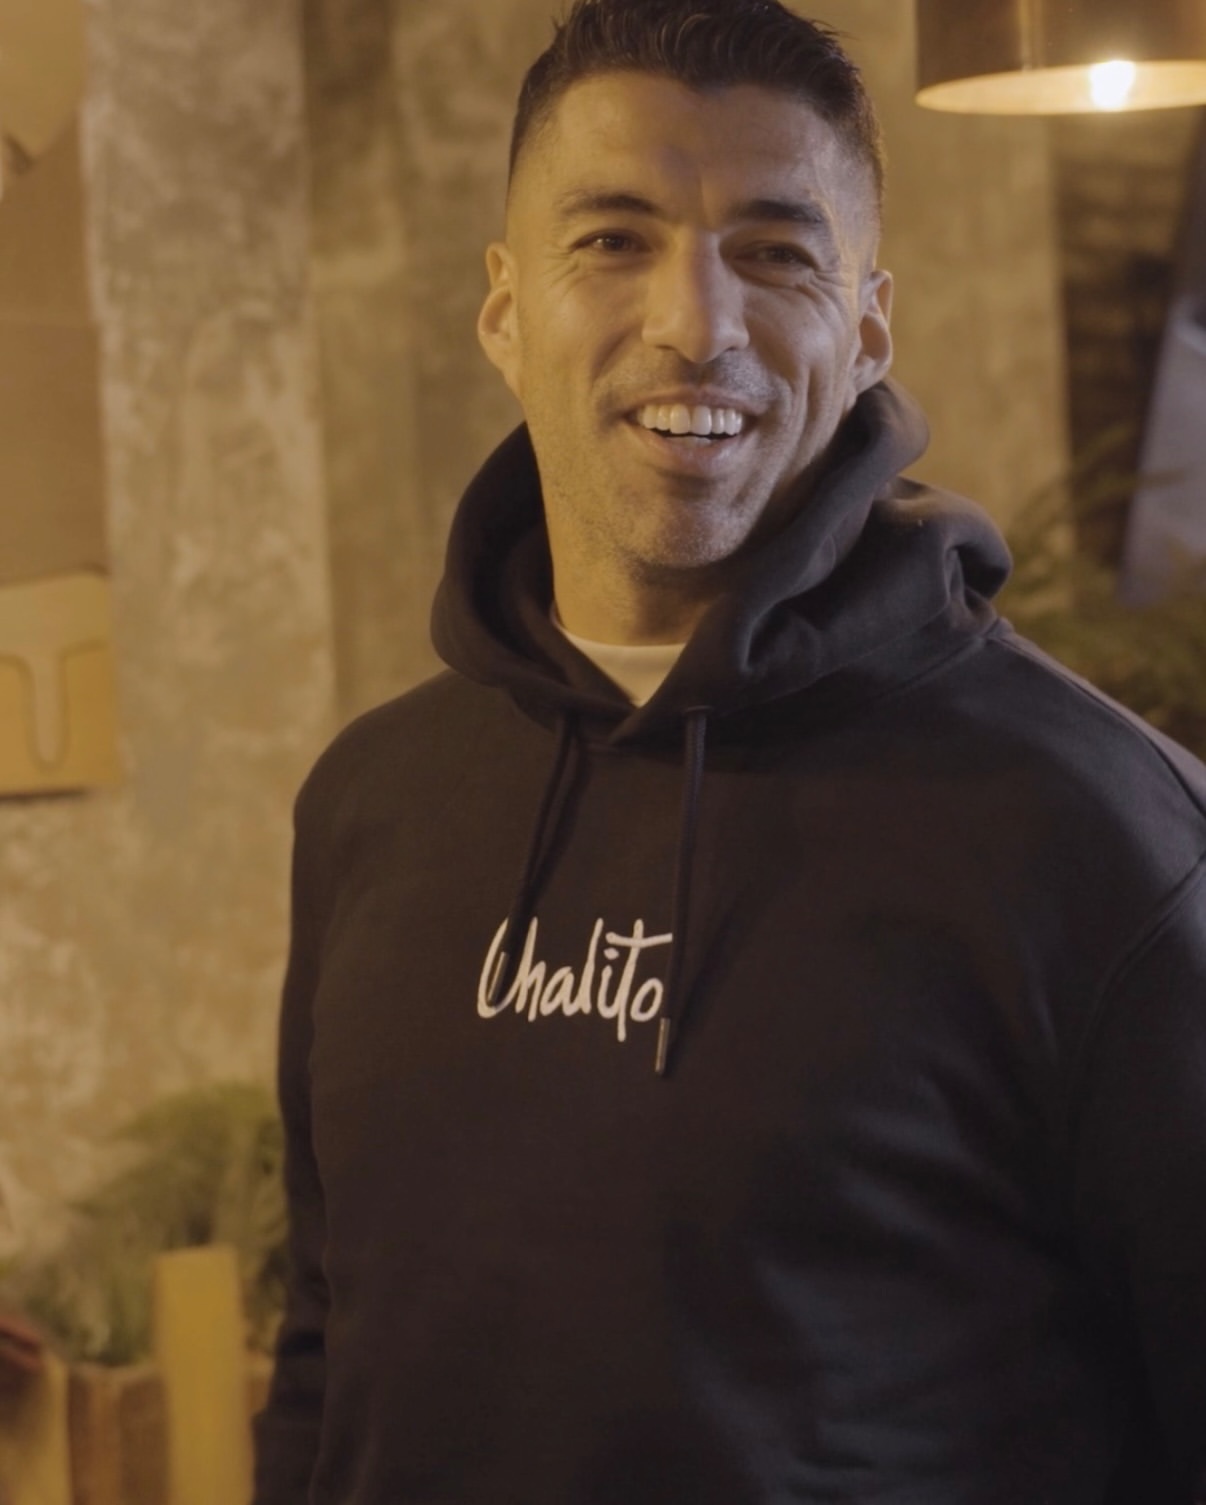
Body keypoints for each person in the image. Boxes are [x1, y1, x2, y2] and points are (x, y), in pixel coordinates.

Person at [252, 1, 1206, 1500]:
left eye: (773, 253)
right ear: (504, 312)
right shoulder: (370, 804)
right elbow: (327, 1360)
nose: (696, 324)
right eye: (610, 240)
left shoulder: (1101, 837)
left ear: (867, 328)